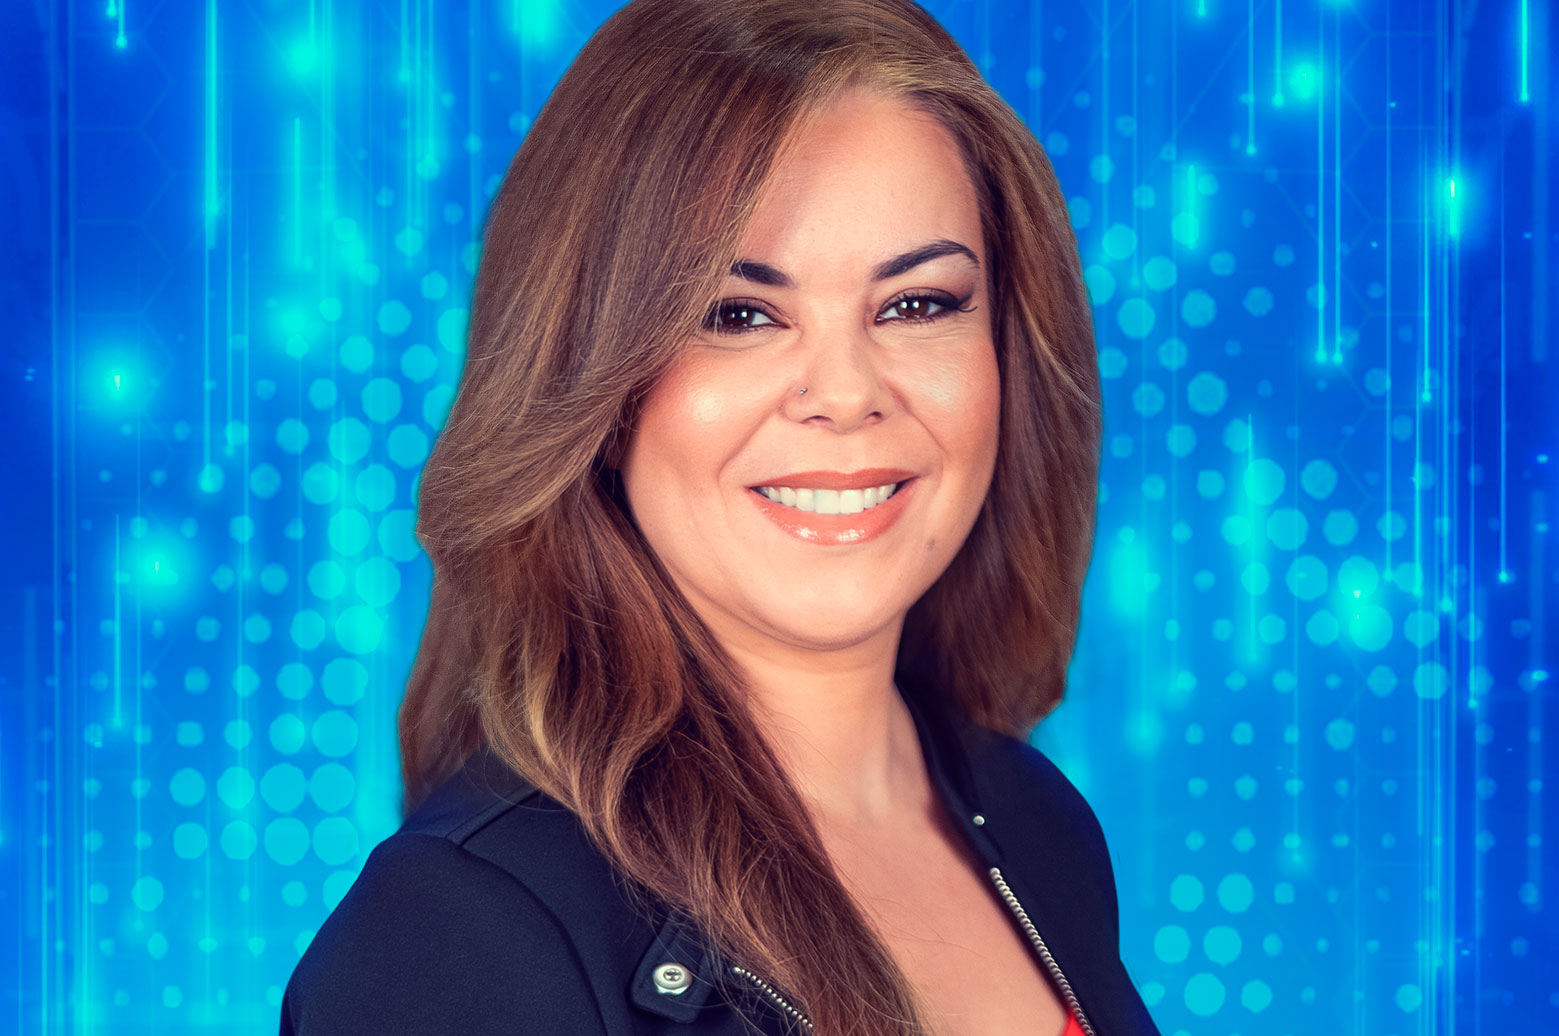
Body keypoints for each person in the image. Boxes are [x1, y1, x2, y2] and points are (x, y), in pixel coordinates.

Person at [279, 0, 1161, 1033]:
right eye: (738, 315)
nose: (845, 393)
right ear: (596, 391)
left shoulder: (1035, 820)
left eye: (916, 304)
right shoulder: (452, 939)